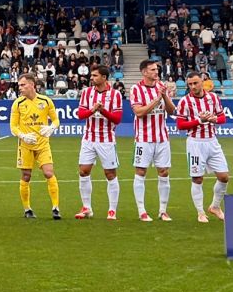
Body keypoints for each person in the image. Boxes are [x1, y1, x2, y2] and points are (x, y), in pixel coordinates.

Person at [176, 72, 229, 223]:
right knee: (197, 178)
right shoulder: (185, 102)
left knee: (224, 177)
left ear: (202, 82)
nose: (193, 86)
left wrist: (215, 119)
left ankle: (215, 206)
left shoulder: (213, 98)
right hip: (195, 143)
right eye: (190, 84)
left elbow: (222, 118)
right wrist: (200, 120)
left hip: (212, 141)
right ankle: (200, 212)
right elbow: (180, 125)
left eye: (195, 83)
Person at [9, 71, 61, 220]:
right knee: (26, 176)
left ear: (32, 85)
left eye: (23, 85)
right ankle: (27, 209)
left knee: (48, 173)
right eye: (19, 85)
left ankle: (56, 207)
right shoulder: (18, 103)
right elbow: (13, 127)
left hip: (43, 144)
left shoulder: (45, 101)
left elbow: (56, 120)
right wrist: (23, 135)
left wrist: (52, 127)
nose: (20, 88)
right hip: (25, 145)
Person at [74, 66, 122, 220]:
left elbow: (117, 119)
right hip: (88, 138)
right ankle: (87, 207)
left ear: (104, 77)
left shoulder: (115, 95)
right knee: (83, 171)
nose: (92, 78)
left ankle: (112, 210)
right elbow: (81, 115)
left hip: (106, 139)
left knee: (110, 174)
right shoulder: (87, 92)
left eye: (95, 75)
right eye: (92, 75)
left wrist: (103, 111)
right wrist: (93, 110)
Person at [129, 60, 174, 221]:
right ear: (144, 72)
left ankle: (163, 210)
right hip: (143, 139)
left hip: (162, 138)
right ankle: (142, 211)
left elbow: (171, 110)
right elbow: (139, 112)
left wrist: (164, 96)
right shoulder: (136, 89)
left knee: (164, 172)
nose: (156, 72)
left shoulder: (161, 86)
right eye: (153, 69)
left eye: (157, 69)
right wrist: (157, 99)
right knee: (141, 172)